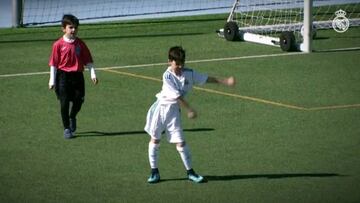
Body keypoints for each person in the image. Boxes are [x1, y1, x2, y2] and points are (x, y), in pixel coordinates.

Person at [144, 46, 235, 183]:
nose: (180, 66)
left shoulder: (189, 73)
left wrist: (225, 81)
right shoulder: (167, 76)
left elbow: (206, 78)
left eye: (182, 63)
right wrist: (189, 109)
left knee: (181, 143)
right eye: (177, 63)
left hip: (173, 113)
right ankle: (154, 172)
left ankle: (190, 173)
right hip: (160, 110)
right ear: (169, 61)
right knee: (155, 140)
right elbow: (177, 97)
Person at [48, 14, 98, 139]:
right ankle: (66, 128)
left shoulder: (80, 44)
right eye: (71, 27)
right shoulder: (57, 45)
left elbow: (88, 60)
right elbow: (53, 64)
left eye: (75, 28)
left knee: (79, 101)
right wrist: (52, 80)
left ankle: (72, 116)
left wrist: (93, 74)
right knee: (64, 103)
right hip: (63, 77)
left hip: (77, 76)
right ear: (63, 29)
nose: (74, 30)